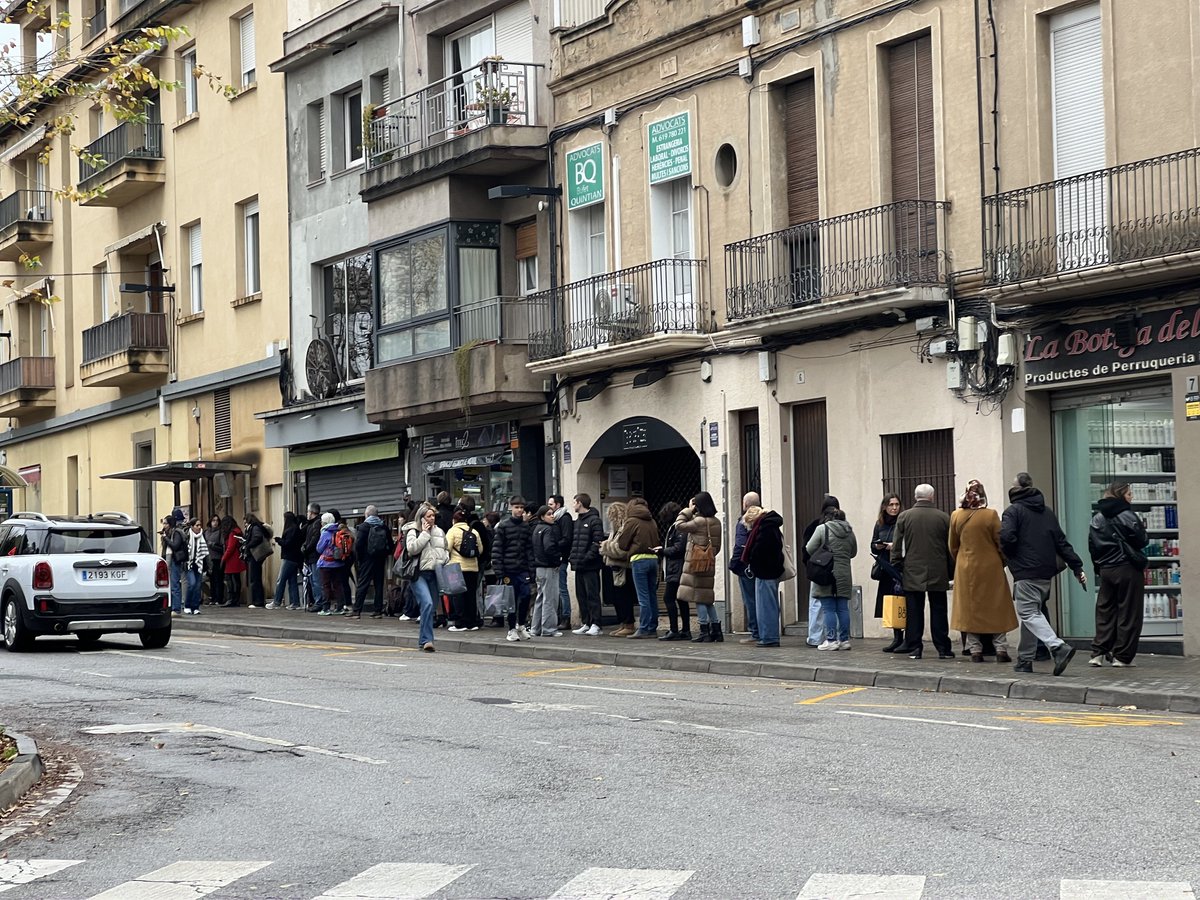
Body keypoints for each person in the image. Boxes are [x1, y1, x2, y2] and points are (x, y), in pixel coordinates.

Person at [1000, 472, 1085, 676]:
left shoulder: (1013, 512)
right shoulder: (1046, 512)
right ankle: (1024, 660)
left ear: (1017, 489)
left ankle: (1057, 646)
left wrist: (1012, 558)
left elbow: (1007, 538)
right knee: (1032, 613)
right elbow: (1061, 541)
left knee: (1028, 613)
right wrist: (1076, 566)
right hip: (1046, 571)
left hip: (1026, 570)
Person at [949, 480, 1017, 663]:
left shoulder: (956, 515)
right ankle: (1001, 648)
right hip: (990, 567)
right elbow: (1000, 542)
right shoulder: (991, 515)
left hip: (965, 568)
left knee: (969, 609)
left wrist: (962, 560)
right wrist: (1001, 561)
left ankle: (975, 650)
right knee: (996, 606)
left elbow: (952, 546)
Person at [1088, 481, 1149, 668]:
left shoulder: (1096, 518)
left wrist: (1099, 566)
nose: (1132, 497)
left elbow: (1092, 545)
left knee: (1105, 611)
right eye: (1129, 494)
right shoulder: (1128, 515)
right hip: (1127, 567)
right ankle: (1121, 656)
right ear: (1121, 495)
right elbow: (1142, 540)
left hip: (1106, 569)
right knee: (1129, 612)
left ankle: (1098, 653)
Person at [891, 484, 954, 659]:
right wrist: (951, 571)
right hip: (938, 569)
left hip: (912, 570)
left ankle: (914, 647)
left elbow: (897, 545)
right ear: (932, 497)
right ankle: (943, 649)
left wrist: (896, 564)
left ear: (915, 497)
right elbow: (949, 548)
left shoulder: (904, 517)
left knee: (914, 610)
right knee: (939, 609)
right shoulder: (943, 518)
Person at [806, 497, 857, 650]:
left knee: (828, 608)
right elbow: (853, 552)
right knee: (842, 608)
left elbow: (809, 548)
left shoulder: (823, 529)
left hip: (826, 572)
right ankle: (844, 640)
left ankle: (831, 640)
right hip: (844, 573)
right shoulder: (849, 531)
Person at [677, 491, 723, 642]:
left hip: (696, 563)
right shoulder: (716, 522)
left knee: (698, 597)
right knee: (706, 597)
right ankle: (716, 630)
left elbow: (679, 525)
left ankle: (704, 631)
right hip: (708, 562)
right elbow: (718, 546)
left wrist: (688, 510)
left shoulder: (699, 522)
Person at [403, 503, 447, 651]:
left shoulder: (440, 531)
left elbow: (445, 549)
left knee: (431, 607)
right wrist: (425, 534)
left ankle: (423, 640)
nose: (432, 518)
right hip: (418, 573)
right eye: (428, 516)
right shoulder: (413, 530)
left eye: (433, 516)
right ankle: (428, 640)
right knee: (427, 604)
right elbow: (411, 549)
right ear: (421, 518)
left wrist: (443, 559)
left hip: (435, 574)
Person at [492, 496, 535, 643]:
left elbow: (529, 550)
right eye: (517, 507)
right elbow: (497, 549)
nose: (519, 510)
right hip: (508, 570)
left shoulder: (525, 527)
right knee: (511, 601)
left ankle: (520, 624)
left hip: (522, 568)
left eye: (522, 507)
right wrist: (499, 571)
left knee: (526, 595)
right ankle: (511, 629)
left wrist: (531, 570)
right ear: (511, 508)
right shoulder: (503, 526)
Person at [742, 505, 785, 648]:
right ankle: (768, 636)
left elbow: (760, 550)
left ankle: (769, 637)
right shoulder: (770, 526)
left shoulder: (765, 528)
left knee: (766, 607)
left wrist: (752, 560)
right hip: (770, 571)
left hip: (765, 572)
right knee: (768, 605)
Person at [617, 496, 660, 638]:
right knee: (652, 595)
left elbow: (622, 543)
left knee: (643, 597)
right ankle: (652, 627)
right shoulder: (652, 520)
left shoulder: (632, 521)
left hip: (639, 559)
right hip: (654, 559)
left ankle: (643, 628)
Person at [801, 498, 840, 647]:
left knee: (816, 603)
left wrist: (810, 565)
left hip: (818, 569)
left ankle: (815, 636)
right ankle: (834, 636)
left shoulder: (815, 526)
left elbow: (807, 549)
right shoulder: (844, 527)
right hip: (837, 569)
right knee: (836, 604)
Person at [871, 494, 903, 652]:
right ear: (885, 506)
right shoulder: (879, 524)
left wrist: (894, 546)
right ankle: (897, 637)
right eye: (891, 505)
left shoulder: (902, 522)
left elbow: (907, 543)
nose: (894, 508)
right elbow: (872, 543)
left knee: (902, 603)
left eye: (897, 504)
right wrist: (877, 546)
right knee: (890, 603)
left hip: (900, 568)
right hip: (885, 568)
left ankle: (906, 638)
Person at [569, 494, 604, 636]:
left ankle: (596, 623)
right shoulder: (577, 522)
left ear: (579, 503)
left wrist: (588, 557)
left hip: (590, 565)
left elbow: (597, 542)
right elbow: (574, 542)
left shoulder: (594, 520)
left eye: (574, 502)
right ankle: (586, 622)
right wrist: (573, 558)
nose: (573, 505)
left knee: (592, 595)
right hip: (579, 564)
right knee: (581, 595)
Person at [729, 491, 761, 644]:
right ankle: (765, 630)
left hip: (746, 567)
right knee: (761, 600)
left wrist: (734, 564)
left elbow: (740, 545)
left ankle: (755, 632)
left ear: (745, 504)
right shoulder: (763, 518)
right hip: (761, 565)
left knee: (750, 600)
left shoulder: (744, 521)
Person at [600, 501, 636, 636]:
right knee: (617, 597)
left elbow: (621, 550)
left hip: (623, 568)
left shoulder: (624, 529)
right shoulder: (615, 530)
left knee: (624, 596)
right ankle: (623, 623)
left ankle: (629, 623)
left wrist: (605, 547)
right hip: (614, 567)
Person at [656, 501, 690, 640]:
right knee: (681, 599)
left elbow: (678, 548)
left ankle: (674, 629)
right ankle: (685, 630)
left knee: (668, 597)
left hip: (676, 568)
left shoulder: (678, 528)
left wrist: (662, 551)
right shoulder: (677, 527)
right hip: (676, 567)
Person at [352, 505, 393, 619]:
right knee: (379, 585)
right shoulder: (384, 526)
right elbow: (390, 544)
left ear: (367, 514)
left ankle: (356, 611)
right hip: (380, 559)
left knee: (363, 584)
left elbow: (358, 545)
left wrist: (360, 559)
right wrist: (384, 554)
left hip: (367, 559)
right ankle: (377, 610)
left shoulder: (363, 527)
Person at [446, 507, 483, 632]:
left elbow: (447, 548)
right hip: (473, 568)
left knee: (458, 595)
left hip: (457, 568)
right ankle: (472, 622)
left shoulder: (452, 531)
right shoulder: (474, 532)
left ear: (454, 520)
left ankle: (460, 623)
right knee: (471, 595)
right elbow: (481, 550)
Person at [530, 505, 564, 637]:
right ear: (542, 516)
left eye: (552, 513)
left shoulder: (537, 528)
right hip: (549, 567)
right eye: (549, 514)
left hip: (539, 567)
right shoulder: (548, 530)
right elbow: (549, 548)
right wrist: (557, 560)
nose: (552, 516)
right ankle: (549, 629)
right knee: (550, 598)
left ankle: (535, 628)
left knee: (540, 598)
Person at [269, 511, 304, 610]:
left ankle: (277, 601)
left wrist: (279, 540)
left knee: (281, 579)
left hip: (288, 557)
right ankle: (295, 603)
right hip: (295, 558)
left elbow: (288, 543)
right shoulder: (295, 528)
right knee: (292, 581)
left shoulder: (291, 529)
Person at [549, 494, 574, 630]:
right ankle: (560, 616)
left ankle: (566, 617)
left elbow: (566, 538)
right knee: (557, 589)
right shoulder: (554, 519)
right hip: (556, 557)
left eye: (551, 504)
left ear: (558, 505)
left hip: (561, 558)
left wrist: (555, 546)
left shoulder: (564, 518)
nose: (549, 507)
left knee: (562, 588)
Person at [315, 513, 347, 616]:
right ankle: (340, 607)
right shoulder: (338, 531)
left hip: (326, 563)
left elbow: (319, 548)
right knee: (338, 585)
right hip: (338, 563)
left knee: (326, 586)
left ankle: (326, 608)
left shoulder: (325, 533)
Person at [300, 502, 324, 612]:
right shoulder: (311, 524)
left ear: (312, 512)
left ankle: (319, 602)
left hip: (314, 556)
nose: (307, 514)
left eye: (308, 512)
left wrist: (306, 548)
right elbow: (309, 539)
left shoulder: (316, 524)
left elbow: (314, 540)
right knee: (312, 580)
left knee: (316, 581)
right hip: (310, 557)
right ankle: (316, 601)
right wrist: (304, 546)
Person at [162, 514, 187, 614]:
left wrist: (166, 539)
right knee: (171, 584)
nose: (164, 525)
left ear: (170, 524)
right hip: (169, 560)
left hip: (175, 560)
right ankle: (172, 606)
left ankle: (176, 609)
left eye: (165, 523)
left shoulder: (176, 533)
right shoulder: (168, 533)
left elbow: (175, 546)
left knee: (175, 584)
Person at [242, 513, 268, 609]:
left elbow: (257, 538)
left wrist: (248, 544)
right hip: (254, 556)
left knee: (255, 577)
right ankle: (257, 600)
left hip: (255, 555)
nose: (244, 524)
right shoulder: (254, 527)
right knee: (255, 577)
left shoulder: (254, 528)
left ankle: (258, 601)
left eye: (245, 522)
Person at [220, 516, 246, 607]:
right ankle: (236, 599)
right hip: (237, 559)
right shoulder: (237, 531)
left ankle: (231, 599)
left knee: (230, 580)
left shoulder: (232, 533)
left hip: (232, 560)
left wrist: (223, 558)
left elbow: (230, 548)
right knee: (236, 579)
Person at [183, 518, 206, 616]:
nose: (199, 527)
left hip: (199, 563)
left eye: (200, 525)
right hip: (189, 563)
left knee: (197, 586)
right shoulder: (187, 536)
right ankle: (187, 605)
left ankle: (195, 607)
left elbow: (205, 551)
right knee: (191, 584)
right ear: (192, 526)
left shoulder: (202, 536)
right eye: (197, 525)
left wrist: (208, 565)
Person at [203, 515, 225, 606]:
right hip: (208, 558)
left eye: (216, 521)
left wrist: (213, 545)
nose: (215, 523)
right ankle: (212, 597)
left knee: (218, 579)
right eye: (213, 520)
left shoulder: (220, 532)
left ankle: (219, 598)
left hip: (217, 558)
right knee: (211, 579)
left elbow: (222, 547)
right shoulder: (206, 532)